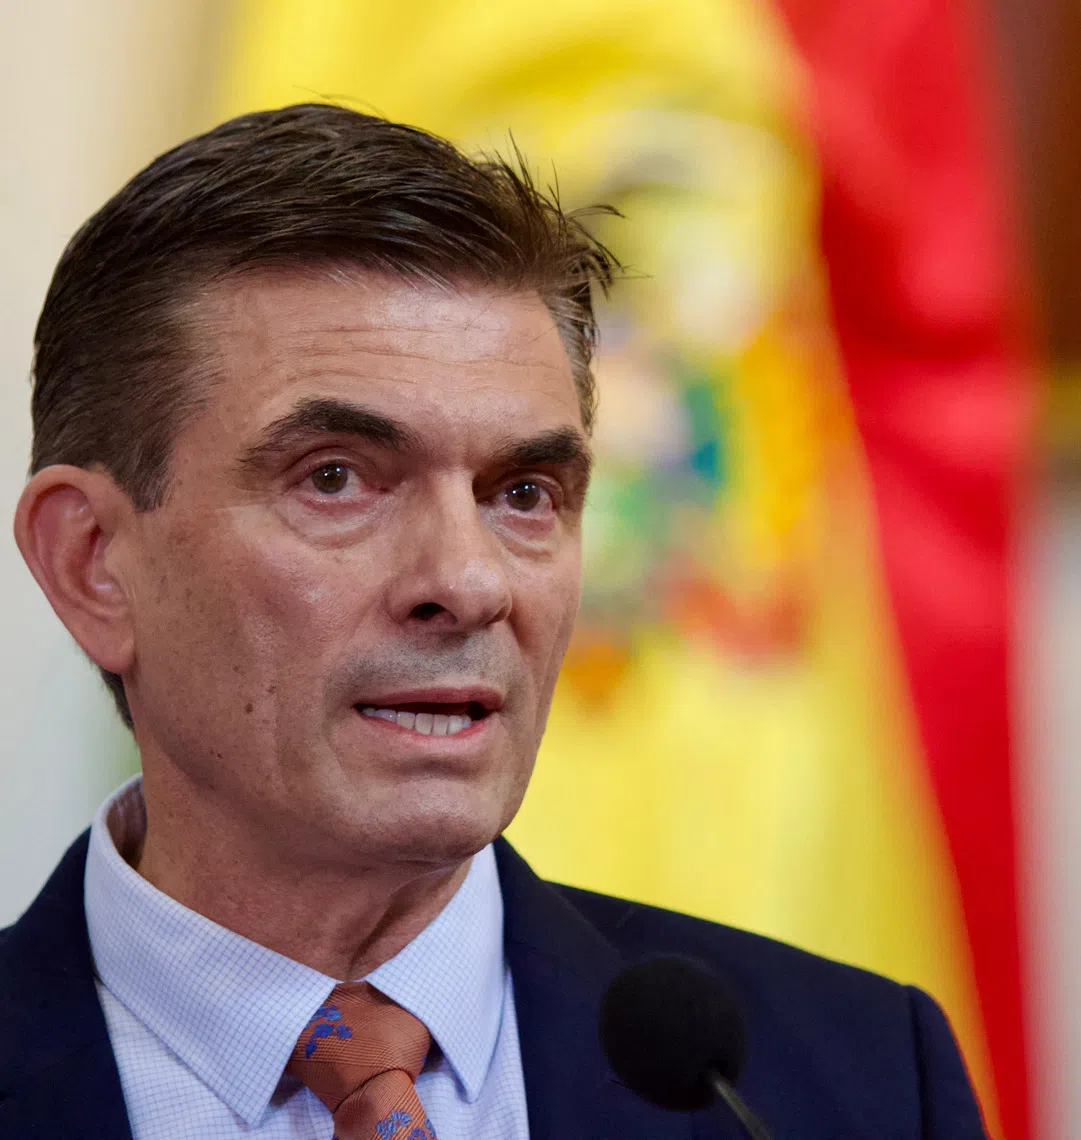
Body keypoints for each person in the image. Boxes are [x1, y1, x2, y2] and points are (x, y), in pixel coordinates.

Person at [0, 104, 987, 1140]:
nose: (470, 583)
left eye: (523, 492)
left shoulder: (854, 1078)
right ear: (94, 563)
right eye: (336, 479)